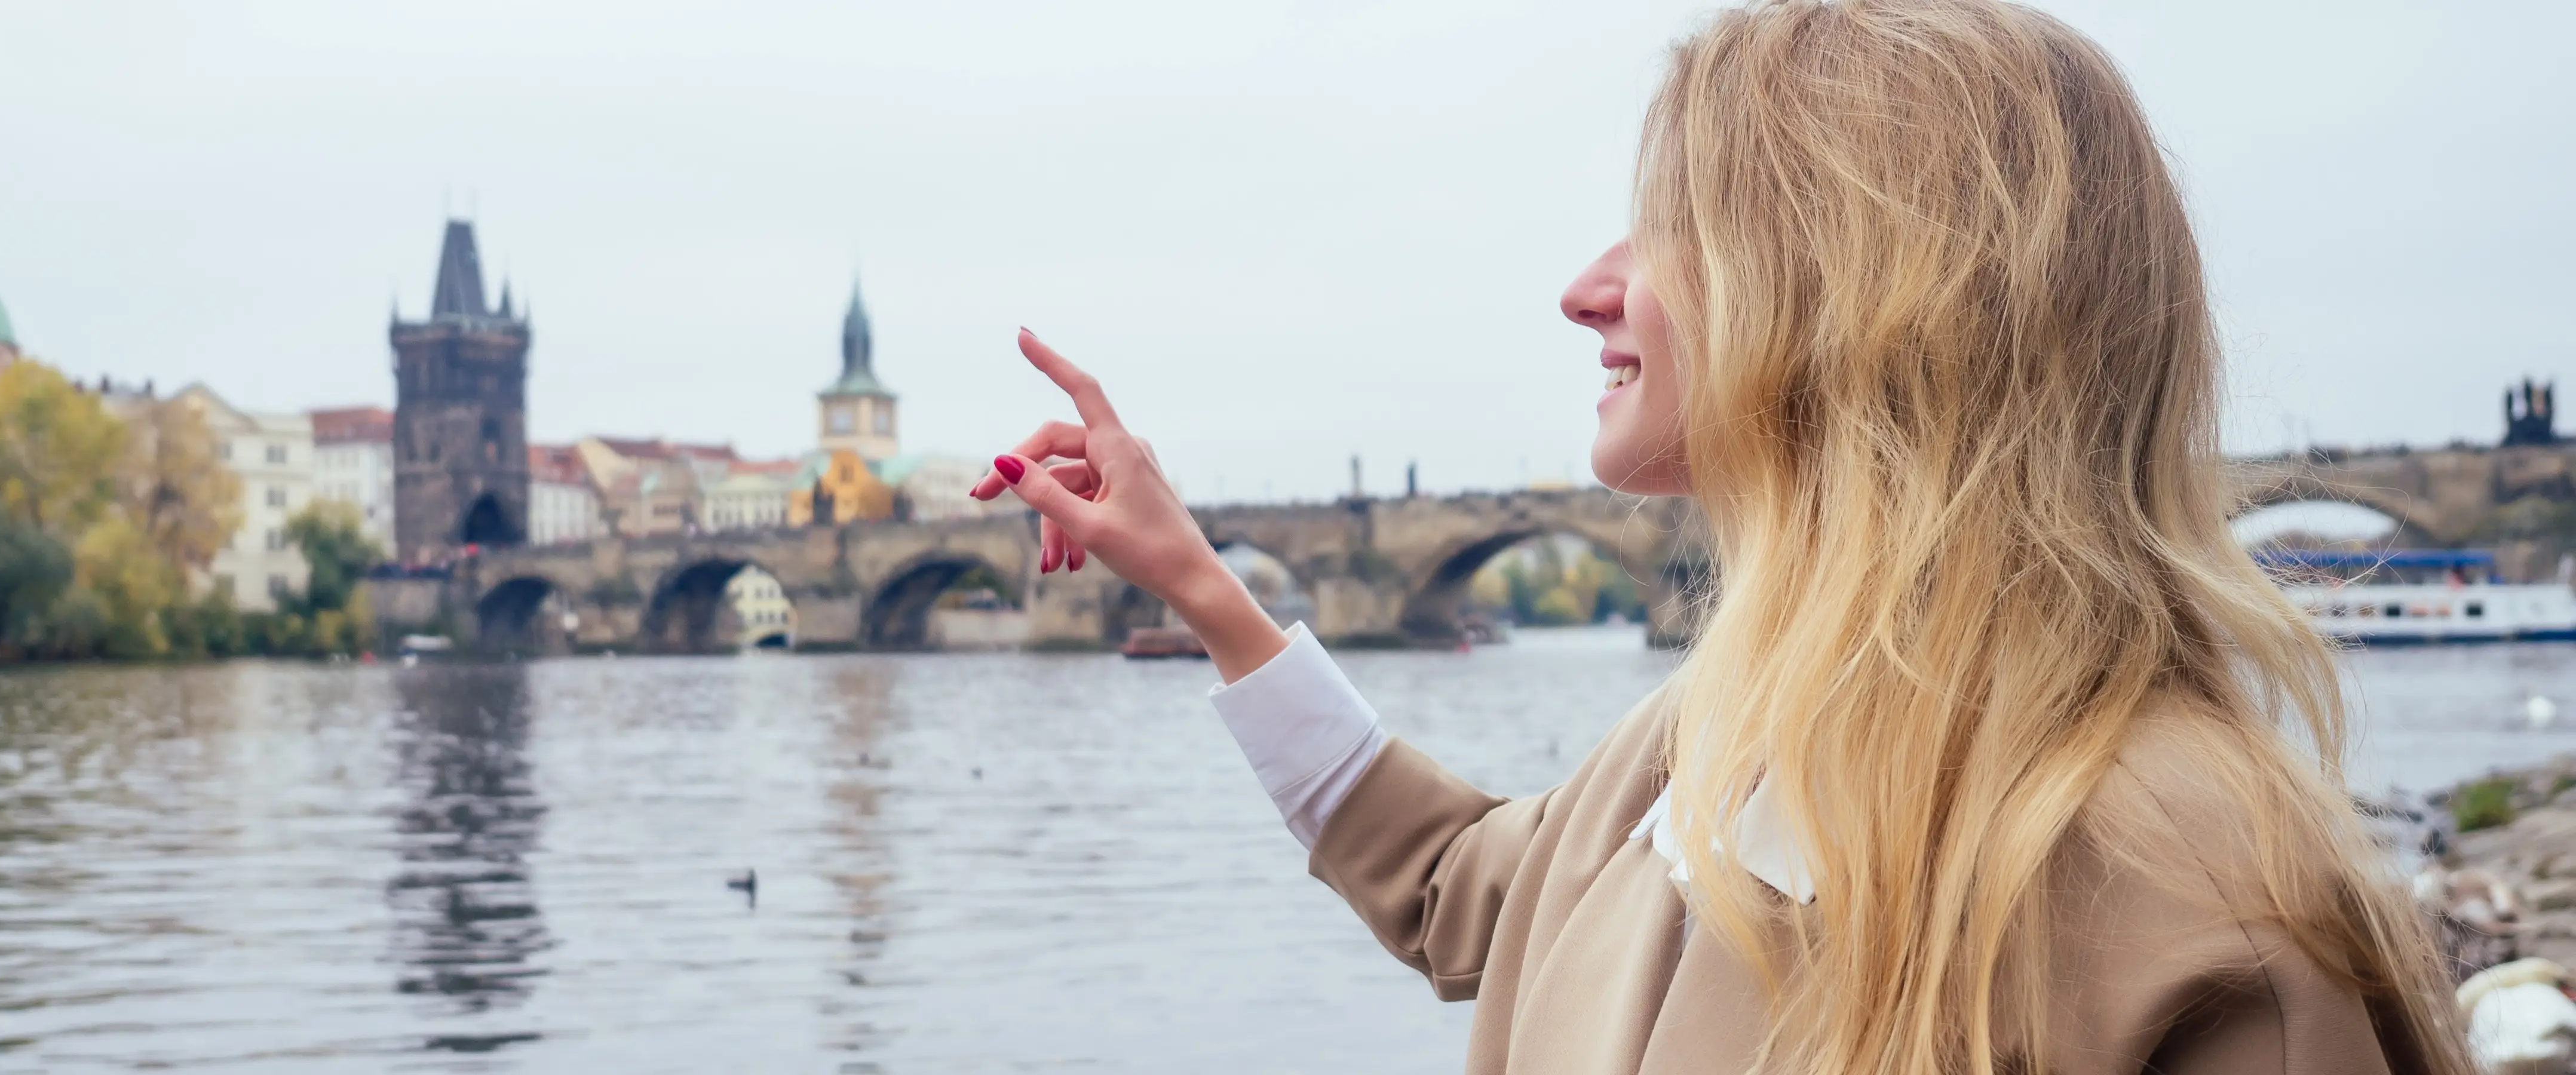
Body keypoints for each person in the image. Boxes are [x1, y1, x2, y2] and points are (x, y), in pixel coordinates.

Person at [968, 1, 2470, 1071]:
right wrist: (1205, 591)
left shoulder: (2201, 903)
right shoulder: (1701, 743)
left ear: (1865, 291)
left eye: (1670, 225)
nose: (1585, 289)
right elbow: (1462, 893)